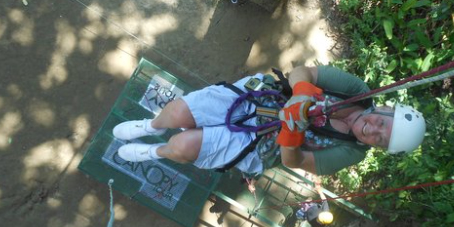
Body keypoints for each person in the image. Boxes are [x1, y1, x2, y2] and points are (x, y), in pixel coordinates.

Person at [112, 64, 426, 177]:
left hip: (266, 146)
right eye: (383, 124)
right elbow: (302, 72)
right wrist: (301, 94)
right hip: (262, 99)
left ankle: (153, 152)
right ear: (385, 108)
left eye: (380, 140)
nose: (373, 131)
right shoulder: (357, 92)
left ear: (378, 148)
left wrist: (291, 132)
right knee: (178, 114)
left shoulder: (351, 152)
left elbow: (295, 161)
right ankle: (149, 127)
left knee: (182, 145)